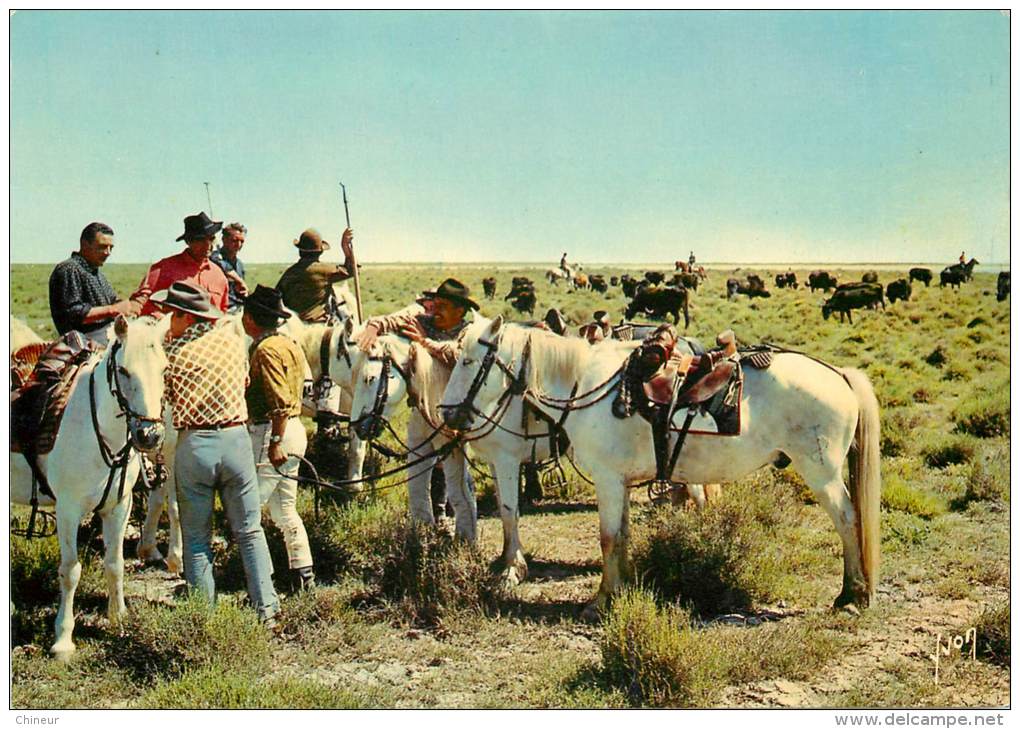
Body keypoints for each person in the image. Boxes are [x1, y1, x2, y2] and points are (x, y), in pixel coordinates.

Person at [153, 281, 279, 624]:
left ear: (184, 316)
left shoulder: (172, 352)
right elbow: (244, 385)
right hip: (236, 439)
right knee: (250, 530)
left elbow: (162, 397)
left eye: (170, 314)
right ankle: (266, 610)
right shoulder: (233, 342)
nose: (167, 320)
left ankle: (202, 618)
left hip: (194, 444)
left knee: (196, 539)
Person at [241, 285, 315, 591]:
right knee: (285, 510)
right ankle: (302, 576)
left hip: (273, 432)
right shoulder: (288, 344)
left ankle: (261, 585)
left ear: (250, 319)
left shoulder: (266, 349)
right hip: (294, 430)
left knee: (249, 514)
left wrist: (274, 442)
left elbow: (280, 400)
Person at [48, 222, 141, 346]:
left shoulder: (96, 273)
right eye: (102, 247)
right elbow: (74, 314)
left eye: (111, 248)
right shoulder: (69, 268)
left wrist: (131, 304)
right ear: (85, 245)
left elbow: (113, 301)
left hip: (104, 337)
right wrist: (112, 310)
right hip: (81, 342)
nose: (108, 252)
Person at [131, 212, 230, 317]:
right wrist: (162, 322)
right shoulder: (163, 269)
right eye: (200, 239)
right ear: (188, 241)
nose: (208, 245)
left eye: (211, 238)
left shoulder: (219, 275)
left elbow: (223, 312)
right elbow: (141, 302)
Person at [276, 227, 355, 323]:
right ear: (320, 252)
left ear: (300, 251)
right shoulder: (325, 270)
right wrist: (345, 246)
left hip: (293, 325)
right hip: (318, 324)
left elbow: (276, 296)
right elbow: (353, 270)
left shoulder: (289, 273)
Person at [211, 222, 249, 312]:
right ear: (224, 239)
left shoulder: (239, 264)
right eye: (234, 240)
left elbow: (241, 290)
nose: (238, 244)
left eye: (242, 241)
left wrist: (245, 293)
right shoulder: (214, 258)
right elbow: (223, 266)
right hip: (219, 309)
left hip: (238, 308)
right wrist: (240, 281)